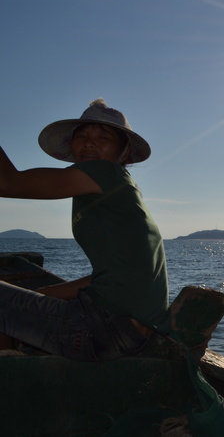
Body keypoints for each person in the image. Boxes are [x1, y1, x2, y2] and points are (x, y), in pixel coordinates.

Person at [0, 98, 169, 361]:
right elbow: (104, 279)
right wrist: (37, 295)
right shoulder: (114, 190)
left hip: (103, 329)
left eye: (103, 137)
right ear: (72, 145)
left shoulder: (105, 174)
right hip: (132, 334)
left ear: (123, 153)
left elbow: (7, 182)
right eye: (82, 136)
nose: (89, 142)